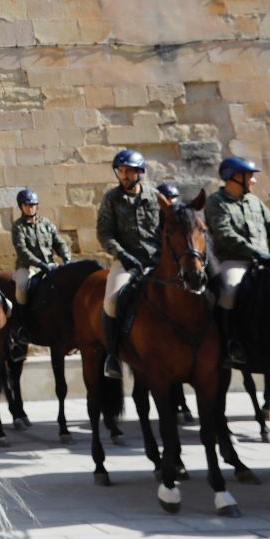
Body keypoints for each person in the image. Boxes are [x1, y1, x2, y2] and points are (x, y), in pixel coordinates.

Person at [205, 156, 270, 365]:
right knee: (229, 290)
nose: (253, 181)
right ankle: (229, 343)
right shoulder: (215, 202)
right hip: (235, 260)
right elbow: (225, 234)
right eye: (250, 177)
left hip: (265, 261)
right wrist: (255, 251)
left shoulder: (255, 202)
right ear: (236, 177)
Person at [97, 149, 160, 381]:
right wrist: (122, 254)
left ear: (140, 172)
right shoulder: (111, 199)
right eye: (121, 171)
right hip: (126, 261)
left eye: (129, 171)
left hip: (156, 260)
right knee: (112, 301)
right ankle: (113, 355)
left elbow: (167, 227)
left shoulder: (154, 197)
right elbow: (104, 233)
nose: (124, 175)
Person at [10, 188, 71, 303]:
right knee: (21, 289)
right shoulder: (18, 227)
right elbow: (22, 250)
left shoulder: (46, 223)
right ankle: (24, 318)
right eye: (26, 205)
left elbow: (59, 242)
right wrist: (40, 264)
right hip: (28, 267)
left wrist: (66, 258)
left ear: (37, 206)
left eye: (33, 204)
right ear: (21, 206)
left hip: (50, 264)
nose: (30, 207)